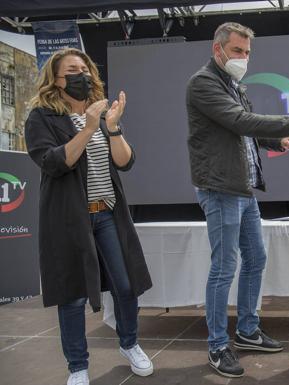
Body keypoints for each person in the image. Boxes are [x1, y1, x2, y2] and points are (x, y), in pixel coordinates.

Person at [186, 22, 289, 378]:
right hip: (220, 188)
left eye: (247, 52)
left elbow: (246, 133)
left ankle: (248, 330)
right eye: (237, 50)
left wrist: (280, 142)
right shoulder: (203, 83)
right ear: (216, 48)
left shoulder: (234, 84)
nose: (243, 58)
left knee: (256, 258)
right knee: (224, 266)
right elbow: (239, 120)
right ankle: (218, 346)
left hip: (242, 187)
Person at [24, 48, 153, 385]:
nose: (81, 75)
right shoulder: (42, 117)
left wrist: (110, 127)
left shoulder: (102, 114)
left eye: (84, 68)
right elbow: (53, 162)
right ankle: (78, 366)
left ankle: (130, 343)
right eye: (72, 70)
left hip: (107, 214)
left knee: (126, 286)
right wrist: (88, 127)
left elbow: (125, 161)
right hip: (69, 219)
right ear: (56, 78)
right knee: (72, 295)